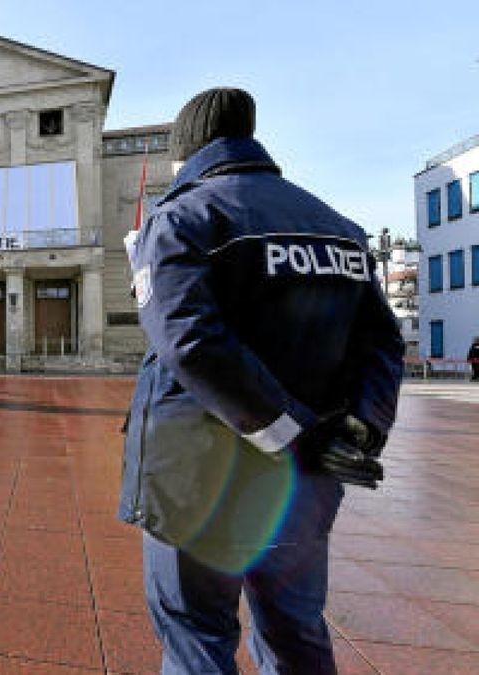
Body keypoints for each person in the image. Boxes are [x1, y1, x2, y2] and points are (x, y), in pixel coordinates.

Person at [120, 88, 403, 674]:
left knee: (197, 635)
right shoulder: (340, 228)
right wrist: (358, 430)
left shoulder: (182, 219)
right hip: (307, 476)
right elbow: (382, 344)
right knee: (294, 632)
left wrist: (288, 430)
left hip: (196, 474)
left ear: (185, 151)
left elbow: (189, 341)